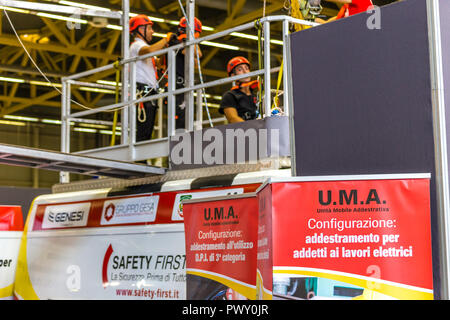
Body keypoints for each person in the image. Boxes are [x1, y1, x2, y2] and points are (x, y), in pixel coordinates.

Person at [129, 14, 169, 142]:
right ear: (141, 30)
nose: (152, 31)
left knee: (147, 131)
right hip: (142, 91)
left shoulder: (144, 50)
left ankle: (142, 159)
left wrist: (165, 49)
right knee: (143, 130)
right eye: (150, 28)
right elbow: (150, 50)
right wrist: (165, 40)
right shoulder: (137, 46)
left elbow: (159, 64)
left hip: (149, 92)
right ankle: (140, 159)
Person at [166, 17, 203, 129]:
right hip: (176, 86)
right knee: (179, 120)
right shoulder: (174, 40)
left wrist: (191, 40)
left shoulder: (185, 43)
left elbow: (197, 59)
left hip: (184, 86)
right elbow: (195, 53)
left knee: (186, 119)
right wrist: (191, 39)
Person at [219, 56, 259, 123]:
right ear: (233, 76)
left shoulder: (256, 95)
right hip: (242, 131)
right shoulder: (230, 96)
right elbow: (233, 119)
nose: (245, 72)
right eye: (240, 70)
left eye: (247, 68)